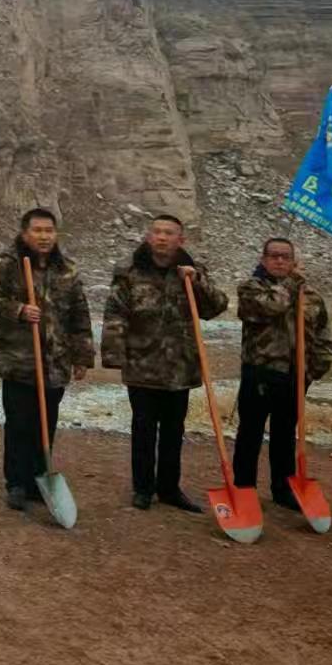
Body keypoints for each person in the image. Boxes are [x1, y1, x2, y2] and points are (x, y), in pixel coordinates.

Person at [101, 214, 228, 512]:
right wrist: (114, 355)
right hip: (142, 365)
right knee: (143, 429)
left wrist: (196, 282)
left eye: (169, 233)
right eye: (157, 232)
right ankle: (143, 488)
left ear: (180, 239)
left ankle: (169, 488)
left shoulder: (192, 272)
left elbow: (215, 307)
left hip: (179, 367)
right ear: (149, 237)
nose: (162, 237)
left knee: (173, 431)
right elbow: (115, 313)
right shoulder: (129, 272)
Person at [0, 208, 94, 510]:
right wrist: (18, 310)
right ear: (24, 233)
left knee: (46, 422)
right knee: (18, 423)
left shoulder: (67, 270)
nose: (44, 236)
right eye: (37, 230)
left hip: (55, 362)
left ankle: (38, 479)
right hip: (19, 361)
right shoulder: (8, 266)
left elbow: (80, 314)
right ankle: (16, 483)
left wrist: (82, 356)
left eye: (49, 231)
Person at [233, 237, 332, 510]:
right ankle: (244, 488)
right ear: (263, 259)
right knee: (250, 434)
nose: (279, 261)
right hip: (260, 373)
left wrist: (315, 369)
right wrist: (291, 283)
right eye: (274, 256)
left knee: (285, 435)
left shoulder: (310, 295)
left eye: (285, 256)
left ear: (293, 260)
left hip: (294, 375)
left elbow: (323, 333)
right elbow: (270, 308)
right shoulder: (251, 288)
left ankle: (283, 489)